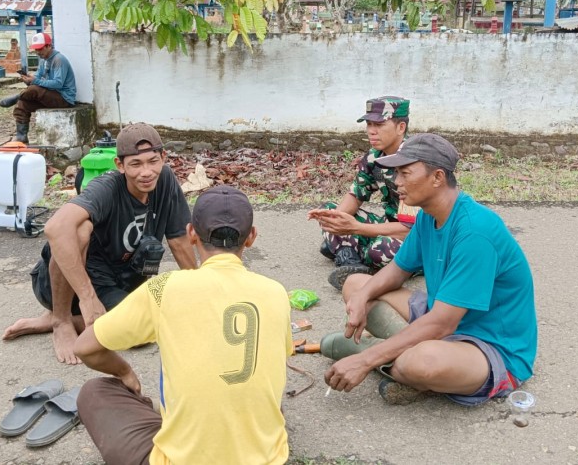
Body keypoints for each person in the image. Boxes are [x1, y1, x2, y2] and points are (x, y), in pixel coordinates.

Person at [74, 185, 292, 465]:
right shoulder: (276, 292)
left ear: (191, 233)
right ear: (251, 237)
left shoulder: (163, 288)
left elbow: (85, 347)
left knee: (94, 392)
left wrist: (124, 371)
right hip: (266, 458)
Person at [323, 133, 538, 406]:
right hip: (443, 317)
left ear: (437, 177)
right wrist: (362, 297)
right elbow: (397, 271)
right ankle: (400, 363)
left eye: (405, 173)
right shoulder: (429, 215)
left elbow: (442, 323)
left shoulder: (475, 232)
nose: (396, 182)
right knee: (355, 284)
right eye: (396, 173)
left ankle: (376, 353)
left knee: (423, 361)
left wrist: (365, 360)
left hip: (490, 344)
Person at [2, 123, 195, 364]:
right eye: (135, 164)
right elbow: (54, 228)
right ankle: (61, 320)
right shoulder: (106, 188)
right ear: (120, 165)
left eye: (152, 161)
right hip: (69, 284)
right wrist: (87, 297)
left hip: (118, 282)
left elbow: (179, 239)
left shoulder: (165, 181)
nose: (146, 172)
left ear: (163, 157)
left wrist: (201, 289)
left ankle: (54, 321)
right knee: (78, 230)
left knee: (141, 331)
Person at [308, 96, 412, 290]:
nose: (371, 131)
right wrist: (336, 220)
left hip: (420, 236)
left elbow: (410, 229)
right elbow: (356, 194)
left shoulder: (414, 162)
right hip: (389, 225)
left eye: (379, 124)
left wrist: (355, 229)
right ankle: (350, 260)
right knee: (329, 211)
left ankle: (345, 247)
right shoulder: (374, 156)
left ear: (401, 127)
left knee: (380, 250)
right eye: (369, 124)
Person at [0, 32, 75, 143]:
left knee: (34, 90)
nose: (38, 52)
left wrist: (35, 81)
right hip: (49, 96)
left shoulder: (59, 59)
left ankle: (17, 97)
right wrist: (29, 80)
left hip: (63, 98)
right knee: (22, 103)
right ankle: (21, 137)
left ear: (49, 46)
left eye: (40, 49)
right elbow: (37, 78)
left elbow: (58, 83)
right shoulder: (43, 61)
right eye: (36, 49)